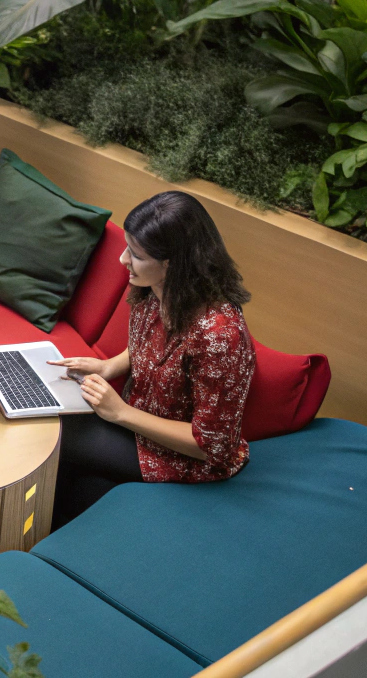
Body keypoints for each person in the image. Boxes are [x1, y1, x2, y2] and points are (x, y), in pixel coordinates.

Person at [48, 191, 256, 528]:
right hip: (138, 424)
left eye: (136, 253)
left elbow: (210, 446)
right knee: (62, 442)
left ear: (173, 263)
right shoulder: (154, 290)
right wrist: (108, 366)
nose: (122, 260)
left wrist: (120, 413)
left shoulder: (220, 335)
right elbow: (155, 345)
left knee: (59, 436)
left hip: (185, 457)